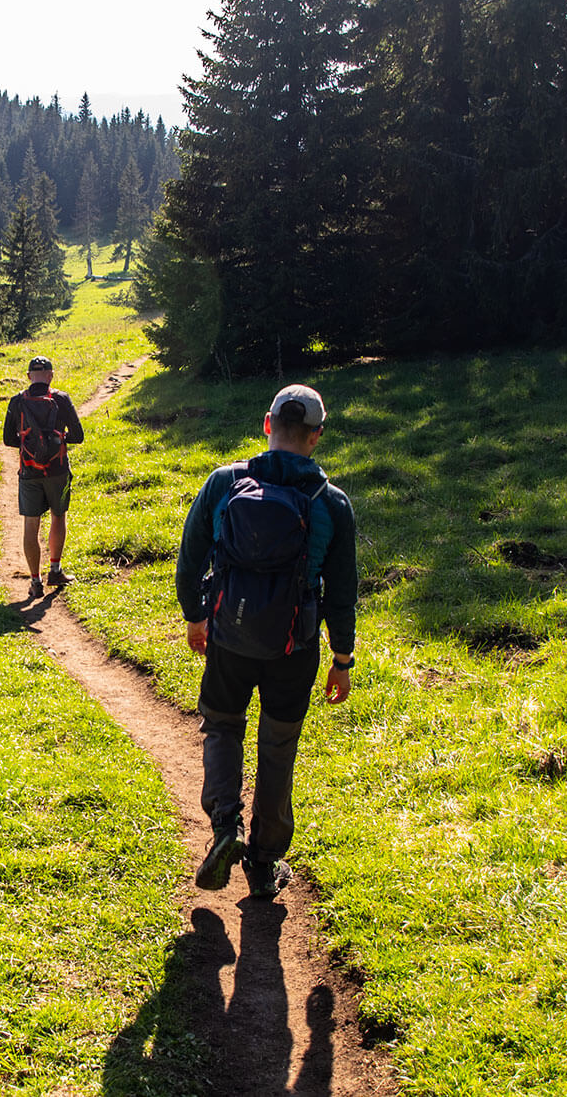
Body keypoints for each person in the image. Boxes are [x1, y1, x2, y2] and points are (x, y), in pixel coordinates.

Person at [174, 384, 357, 898]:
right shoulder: (331, 503)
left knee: (222, 727)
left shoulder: (224, 482)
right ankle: (265, 858)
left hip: (228, 636)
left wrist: (196, 617)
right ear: (317, 437)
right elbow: (342, 593)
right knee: (279, 746)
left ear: (266, 424)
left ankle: (225, 828)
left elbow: (190, 561)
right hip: (294, 650)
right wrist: (341, 657)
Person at [4, 355, 85, 600]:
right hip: (57, 470)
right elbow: (78, 436)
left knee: (31, 523)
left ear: (29, 376)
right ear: (51, 375)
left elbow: (8, 439)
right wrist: (59, 441)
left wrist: (30, 447)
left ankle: (35, 581)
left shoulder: (17, 401)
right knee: (58, 516)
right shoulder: (60, 399)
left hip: (29, 471)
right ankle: (56, 570)